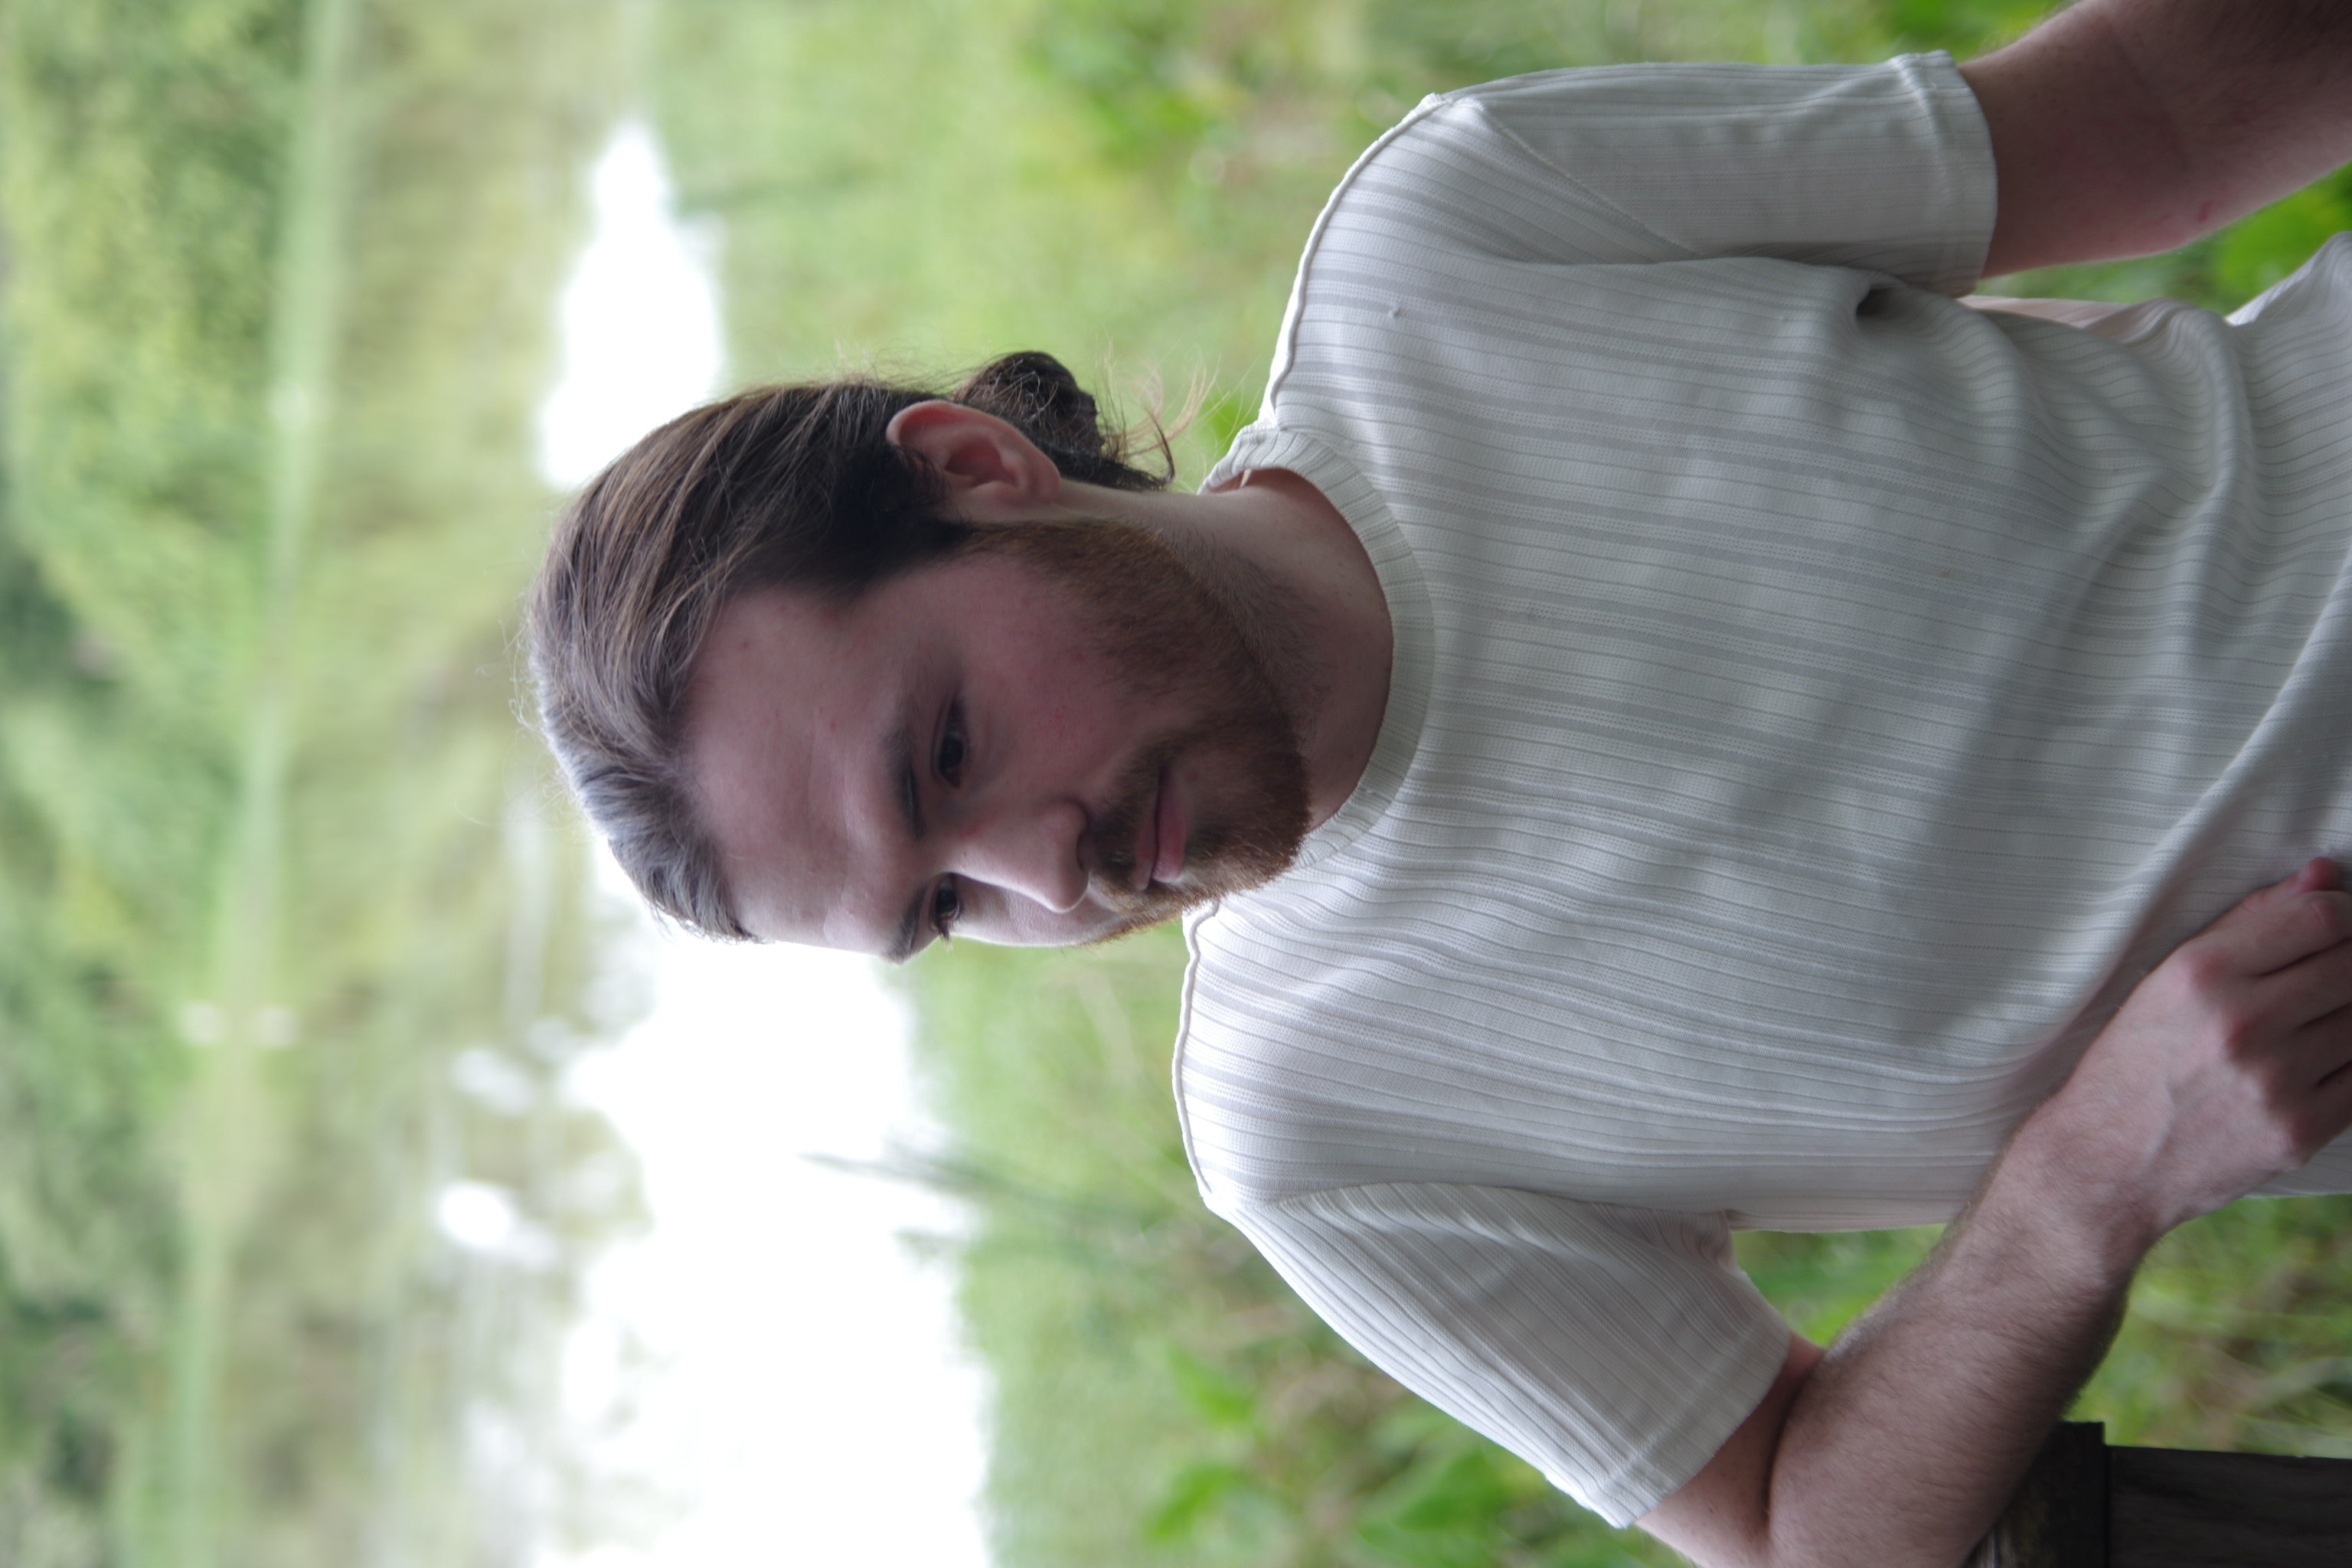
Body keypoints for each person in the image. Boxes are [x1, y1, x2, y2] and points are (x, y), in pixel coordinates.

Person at [528, 3, 2352, 1563]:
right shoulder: (1321, 1134)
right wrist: (2096, 1182)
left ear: (977, 468)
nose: (1044, 871)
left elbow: (2157, 121)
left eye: (947, 751)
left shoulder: (1466, 231)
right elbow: (1807, 1521)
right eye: (943, 906)